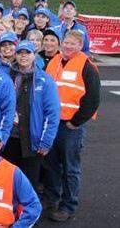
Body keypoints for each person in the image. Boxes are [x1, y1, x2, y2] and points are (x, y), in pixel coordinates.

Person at [43, 29, 100, 222]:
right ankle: (52, 198)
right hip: (52, 123)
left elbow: (93, 99)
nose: (68, 46)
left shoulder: (87, 66)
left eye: (73, 44)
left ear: (80, 46)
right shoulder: (54, 61)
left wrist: (76, 122)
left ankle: (68, 205)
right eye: (66, 42)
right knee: (52, 165)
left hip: (71, 127)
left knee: (70, 168)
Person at [5, 41, 59, 194]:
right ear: (15, 55)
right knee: (8, 182)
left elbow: (52, 113)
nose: (23, 56)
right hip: (9, 138)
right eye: (20, 52)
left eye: (27, 53)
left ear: (34, 55)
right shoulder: (7, 76)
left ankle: (29, 215)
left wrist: (46, 141)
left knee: (29, 184)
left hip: (31, 141)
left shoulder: (45, 80)